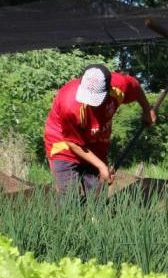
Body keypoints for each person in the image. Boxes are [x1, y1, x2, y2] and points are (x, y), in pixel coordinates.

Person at [43, 64, 156, 196]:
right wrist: (102, 167)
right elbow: (74, 143)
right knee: (68, 197)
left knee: (97, 196)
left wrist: (147, 110)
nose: (89, 103)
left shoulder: (119, 86)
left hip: (96, 142)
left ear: (108, 90)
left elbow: (135, 88)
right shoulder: (69, 104)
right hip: (64, 144)